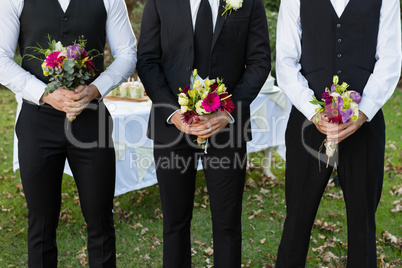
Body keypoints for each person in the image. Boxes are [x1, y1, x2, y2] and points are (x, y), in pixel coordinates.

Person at [0, 0, 137, 266]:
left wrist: (95, 89)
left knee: (100, 219)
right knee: (40, 222)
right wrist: (44, 94)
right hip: (37, 121)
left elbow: (128, 53)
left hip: (91, 120)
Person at [137, 0, 270, 266]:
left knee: (227, 223)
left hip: (227, 128)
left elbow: (259, 61)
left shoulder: (249, 2)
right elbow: (148, 60)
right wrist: (173, 113)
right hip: (172, 127)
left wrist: (228, 112)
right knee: (174, 223)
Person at [275, 0, 401, 266]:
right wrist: (314, 112)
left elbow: (390, 60)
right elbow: (286, 62)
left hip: (364, 127)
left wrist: (362, 113)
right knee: (296, 220)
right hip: (308, 127)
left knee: (362, 226)